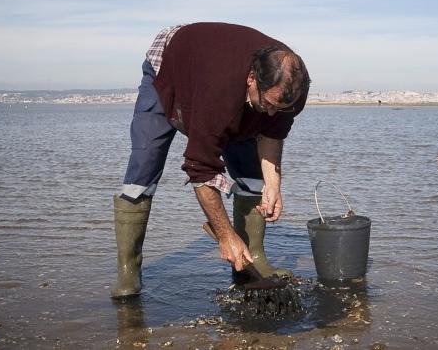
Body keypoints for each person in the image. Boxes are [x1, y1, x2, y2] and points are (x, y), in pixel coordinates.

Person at [110, 23, 311, 299]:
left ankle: (252, 259)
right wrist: (225, 234)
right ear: (251, 79)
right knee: (143, 168)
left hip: (225, 82)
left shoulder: (292, 87)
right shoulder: (218, 91)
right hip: (170, 64)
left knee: (252, 175)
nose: (274, 113)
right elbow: (199, 168)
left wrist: (273, 184)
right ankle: (128, 271)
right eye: (269, 104)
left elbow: (272, 132)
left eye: (282, 107)